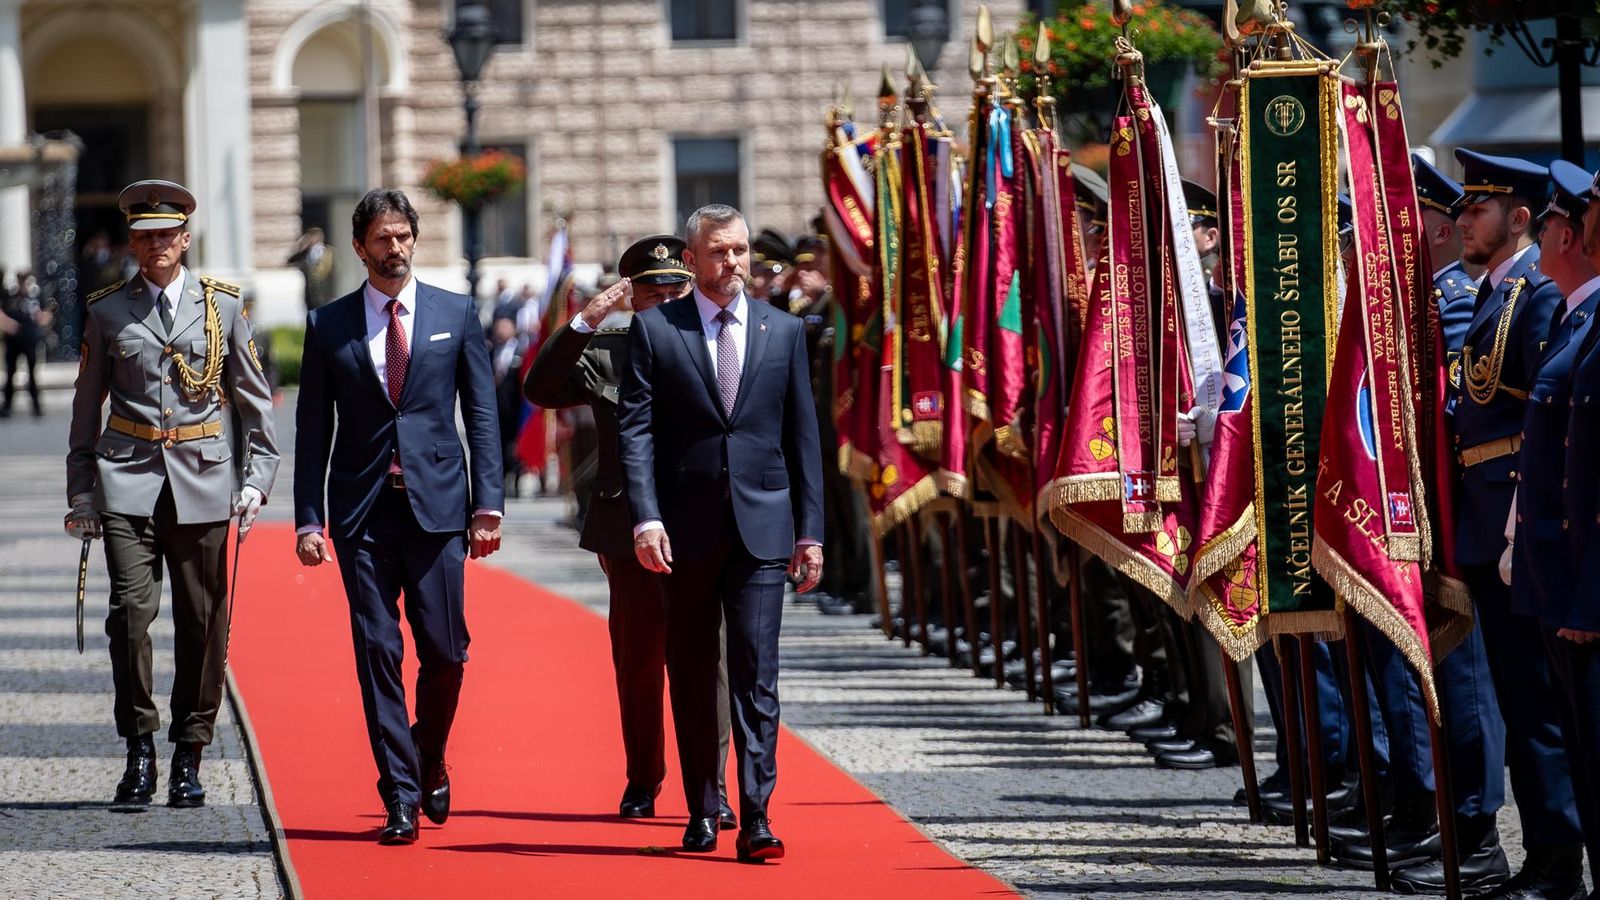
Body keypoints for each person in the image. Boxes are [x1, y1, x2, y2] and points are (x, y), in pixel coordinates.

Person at [292, 188, 504, 845]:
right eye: (382, 239)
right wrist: (307, 518)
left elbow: (483, 415)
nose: (396, 249)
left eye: (404, 236)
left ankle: (428, 752)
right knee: (378, 651)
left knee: (447, 652)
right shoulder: (330, 325)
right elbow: (310, 430)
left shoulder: (454, 313)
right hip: (361, 513)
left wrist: (488, 504)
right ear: (360, 247)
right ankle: (401, 795)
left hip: (438, 508)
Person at [64, 179, 279, 808]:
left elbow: (255, 404)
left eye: (167, 235)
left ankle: (190, 751)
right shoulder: (107, 311)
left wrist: (256, 482)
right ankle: (139, 749)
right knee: (130, 615)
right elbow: (85, 411)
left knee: (203, 620)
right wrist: (81, 494)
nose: (156, 245)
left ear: (186, 239)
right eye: (145, 235)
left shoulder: (224, 307)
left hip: (204, 478)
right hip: (127, 477)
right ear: (133, 242)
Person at [619, 204, 824, 861]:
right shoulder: (656, 330)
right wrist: (646, 517)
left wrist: (810, 532)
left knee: (757, 673)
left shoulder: (783, 332)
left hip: (763, 528)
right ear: (692, 255)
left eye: (739, 250)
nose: (732, 262)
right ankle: (704, 806)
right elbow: (637, 433)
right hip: (683, 530)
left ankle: (759, 813)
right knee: (691, 668)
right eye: (718, 251)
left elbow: (803, 439)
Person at [524, 235, 737, 829]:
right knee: (640, 660)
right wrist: (586, 321)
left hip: (701, 522)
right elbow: (539, 389)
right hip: (629, 529)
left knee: (707, 659)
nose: (666, 297)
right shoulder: (610, 348)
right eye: (653, 290)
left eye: (677, 287)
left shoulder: (714, 339)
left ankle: (711, 787)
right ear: (631, 295)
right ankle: (644, 776)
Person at [1427, 149, 1583, 898]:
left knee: (1538, 708)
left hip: (1519, 525)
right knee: (1522, 702)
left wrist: (1526, 521)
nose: (1462, 221)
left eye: (1478, 209)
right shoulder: (1493, 293)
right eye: (1461, 209)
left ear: (1520, 219)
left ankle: (1557, 856)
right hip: (1486, 524)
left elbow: (1544, 423)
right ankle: (1544, 853)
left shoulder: (1533, 295)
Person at [1523, 160, 1600, 896]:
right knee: (1580, 752)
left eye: (1552, 218)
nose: (1544, 227)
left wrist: (1584, 598)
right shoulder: (1577, 315)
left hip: (1586, 590)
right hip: (1561, 577)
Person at [1, 271, 44, 417]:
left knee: (32, 373)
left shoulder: (35, 297)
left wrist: (41, 319)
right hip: (13, 340)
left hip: (29, 339)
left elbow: (47, 313)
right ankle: (7, 406)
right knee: (10, 372)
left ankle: (36, 406)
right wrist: (7, 324)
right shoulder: (10, 297)